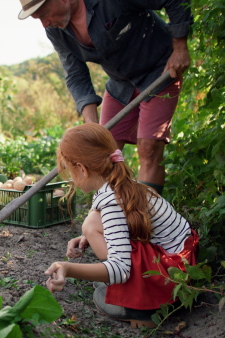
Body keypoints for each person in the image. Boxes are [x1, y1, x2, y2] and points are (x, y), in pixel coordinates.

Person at [17, 0, 192, 195]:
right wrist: (91, 121)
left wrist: (180, 47)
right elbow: (76, 74)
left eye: (43, 14)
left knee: (149, 148)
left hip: (160, 71)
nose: (44, 23)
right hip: (120, 84)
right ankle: (114, 213)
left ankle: (148, 219)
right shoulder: (55, 31)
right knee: (101, 151)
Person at [44, 123, 199, 328]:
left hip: (169, 275)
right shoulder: (119, 183)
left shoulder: (111, 201)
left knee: (91, 226)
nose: (71, 178)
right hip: (182, 259)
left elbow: (121, 269)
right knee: (91, 225)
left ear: (81, 168)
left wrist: (67, 268)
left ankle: (142, 309)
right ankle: (134, 292)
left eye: (69, 170)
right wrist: (87, 238)